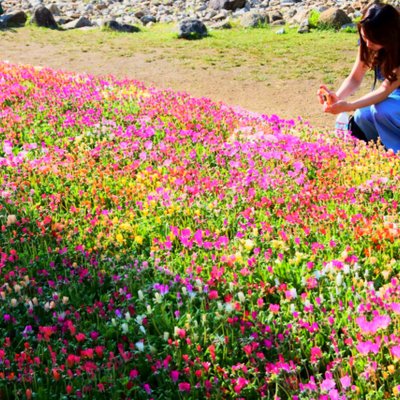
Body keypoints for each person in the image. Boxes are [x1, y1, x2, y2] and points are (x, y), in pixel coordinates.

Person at [318, 2, 400, 153]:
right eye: (365, 36)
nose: (368, 44)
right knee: (362, 115)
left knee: (382, 110)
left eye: (374, 40)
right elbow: (355, 78)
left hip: (393, 94)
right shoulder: (368, 40)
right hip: (394, 96)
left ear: (390, 36)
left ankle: (396, 154)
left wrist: (349, 105)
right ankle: (377, 152)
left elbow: (384, 91)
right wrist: (335, 98)